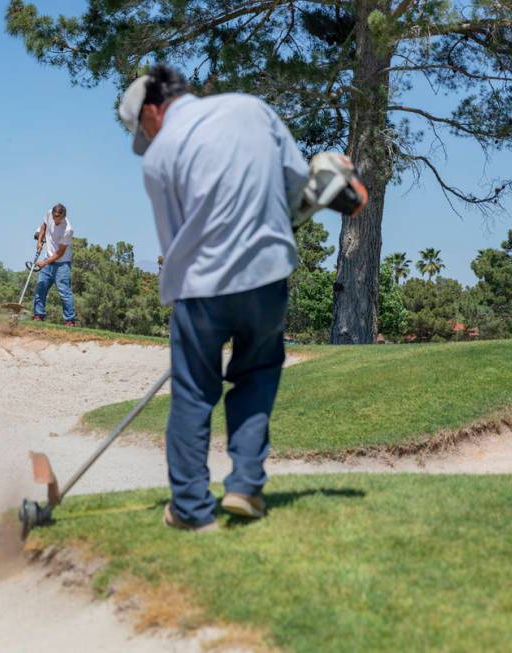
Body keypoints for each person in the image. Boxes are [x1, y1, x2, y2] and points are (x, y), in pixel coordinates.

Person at [118, 64, 309, 531]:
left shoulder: (158, 158)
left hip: (202, 287)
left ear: (151, 110)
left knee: (194, 394)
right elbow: (298, 185)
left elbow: (174, 241)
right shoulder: (251, 108)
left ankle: (190, 510)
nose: (144, 137)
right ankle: (244, 486)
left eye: (141, 127)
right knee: (257, 374)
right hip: (267, 278)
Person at [32, 203, 78, 327]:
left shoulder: (68, 229)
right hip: (48, 259)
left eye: (59, 218)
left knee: (64, 292)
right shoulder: (49, 214)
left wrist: (43, 263)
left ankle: (69, 320)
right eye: (54, 217)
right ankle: (38, 315)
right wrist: (40, 240)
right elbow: (44, 226)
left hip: (62, 263)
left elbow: (60, 252)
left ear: (64, 216)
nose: (56, 220)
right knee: (41, 287)